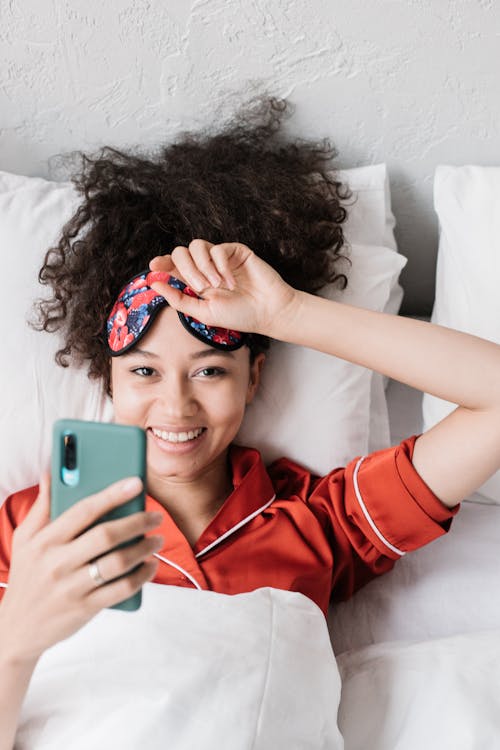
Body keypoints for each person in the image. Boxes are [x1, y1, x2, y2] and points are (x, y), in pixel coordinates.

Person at [1, 94, 500, 746]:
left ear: (253, 378)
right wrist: (15, 643)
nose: (176, 406)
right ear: (109, 382)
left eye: (209, 370)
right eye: (144, 372)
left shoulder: (318, 523)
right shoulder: (27, 534)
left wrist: (288, 314)